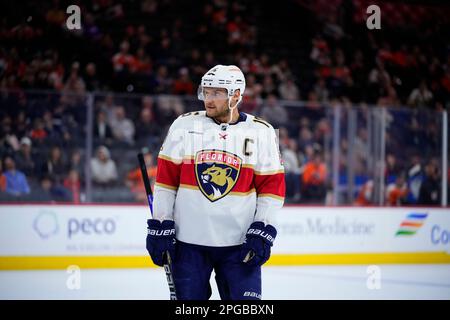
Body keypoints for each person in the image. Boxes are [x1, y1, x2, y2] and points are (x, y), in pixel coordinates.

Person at [146, 65, 285, 300]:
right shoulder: (184, 125)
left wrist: (263, 228)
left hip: (240, 245)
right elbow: (166, 183)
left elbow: (271, 189)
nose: (208, 100)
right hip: (188, 244)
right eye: (206, 92)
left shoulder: (262, 132)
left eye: (217, 93)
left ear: (237, 96)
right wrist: (161, 223)